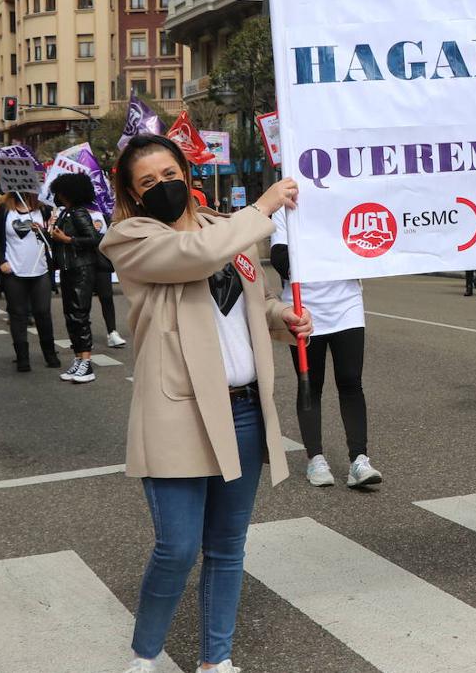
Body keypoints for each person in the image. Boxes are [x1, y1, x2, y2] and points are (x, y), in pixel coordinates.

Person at [100, 134, 311, 673]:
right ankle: (145, 656)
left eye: (170, 175)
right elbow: (191, 258)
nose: (163, 187)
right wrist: (262, 207)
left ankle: (217, 660)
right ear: (132, 193)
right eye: (148, 182)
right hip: (177, 413)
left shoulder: (225, 230)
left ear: (186, 172)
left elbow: (254, 302)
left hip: (242, 411)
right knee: (177, 548)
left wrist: (281, 318)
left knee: (226, 547)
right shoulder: (131, 238)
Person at [270, 211, 381, 488]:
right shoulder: (286, 211)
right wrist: (330, 248)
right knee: (311, 383)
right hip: (303, 307)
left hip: (347, 304)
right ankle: (315, 458)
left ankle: (359, 460)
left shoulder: (344, 201)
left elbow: (366, 248)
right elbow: (282, 260)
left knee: (351, 381)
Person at [0, 191, 62, 373]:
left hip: (40, 270)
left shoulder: (44, 210)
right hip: (14, 272)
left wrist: (45, 230)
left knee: (43, 313)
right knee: (18, 314)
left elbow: (51, 240)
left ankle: (50, 354)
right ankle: (22, 358)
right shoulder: (4, 210)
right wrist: (2, 262)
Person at [49, 173, 102, 383]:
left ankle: (86, 363)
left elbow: (93, 239)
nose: (58, 196)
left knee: (79, 314)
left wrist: (67, 239)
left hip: (81, 268)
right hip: (69, 268)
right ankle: (79, 359)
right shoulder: (66, 213)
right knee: (71, 315)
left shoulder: (79, 213)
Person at [89, 207, 128, 349]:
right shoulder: (72, 213)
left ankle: (112, 332)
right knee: (83, 301)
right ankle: (84, 336)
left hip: (101, 263)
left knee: (106, 297)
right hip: (82, 263)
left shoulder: (102, 215)